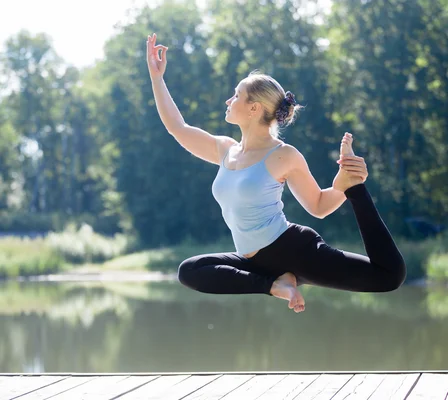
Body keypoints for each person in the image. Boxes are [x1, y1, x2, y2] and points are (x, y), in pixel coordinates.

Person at [146, 33, 406, 313]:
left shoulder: (283, 155)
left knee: (388, 277)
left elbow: (318, 206)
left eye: (236, 96)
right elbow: (177, 127)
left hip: (294, 250)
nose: (228, 100)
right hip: (255, 264)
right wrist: (157, 78)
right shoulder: (225, 150)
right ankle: (275, 285)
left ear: (254, 108)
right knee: (190, 271)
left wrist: (345, 186)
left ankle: (356, 189)